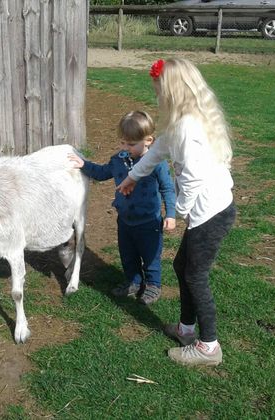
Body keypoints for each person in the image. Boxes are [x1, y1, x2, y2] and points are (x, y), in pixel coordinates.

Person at [116, 58, 236, 367]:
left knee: (195, 274)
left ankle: (209, 347)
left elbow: (193, 177)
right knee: (182, 266)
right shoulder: (183, 120)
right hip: (209, 211)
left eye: (158, 90)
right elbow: (156, 153)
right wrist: (133, 177)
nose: (156, 96)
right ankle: (185, 329)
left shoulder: (187, 127)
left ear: (171, 91)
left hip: (211, 214)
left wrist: (178, 210)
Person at [69, 111, 176, 305]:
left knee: (150, 256)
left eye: (131, 144)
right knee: (128, 254)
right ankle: (133, 281)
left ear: (149, 140)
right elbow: (102, 173)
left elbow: (167, 188)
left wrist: (170, 214)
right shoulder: (119, 160)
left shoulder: (156, 163)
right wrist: (83, 164)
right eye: (123, 143)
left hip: (149, 222)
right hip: (125, 220)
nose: (125, 148)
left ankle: (153, 285)